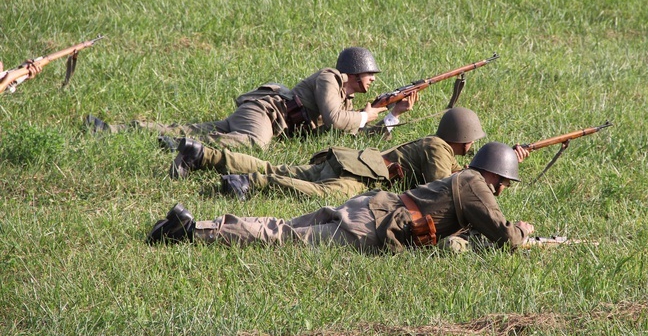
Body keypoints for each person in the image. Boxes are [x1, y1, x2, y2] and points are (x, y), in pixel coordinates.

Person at [147, 142, 535, 254]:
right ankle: (192, 232)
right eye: (503, 183)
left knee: (281, 227)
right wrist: (524, 228)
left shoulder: (466, 179)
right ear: (497, 177)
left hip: (368, 205)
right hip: (371, 226)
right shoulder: (476, 186)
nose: (501, 191)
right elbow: (506, 237)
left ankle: (194, 226)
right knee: (284, 238)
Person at [84, 47, 415, 150]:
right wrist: (367, 115)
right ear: (355, 73)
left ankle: (116, 130)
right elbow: (334, 121)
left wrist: (391, 115)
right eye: (371, 74)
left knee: (191, 126)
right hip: (265, 112)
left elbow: (356, 136)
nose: (373, 80)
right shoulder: (331, 78)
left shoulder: (348, 104)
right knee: (255, 144)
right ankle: (189, 148)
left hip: (269, 118)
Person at [171, 107, 529, 200]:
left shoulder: (439, 148)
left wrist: (501, 162)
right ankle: (249, 183)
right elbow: (443, 187)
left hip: (349, 159)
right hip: (362, 177)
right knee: (317, 193)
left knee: (282, 166)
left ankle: (202, 154)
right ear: (464, 139)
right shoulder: (437, 148)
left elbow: (459, 172)